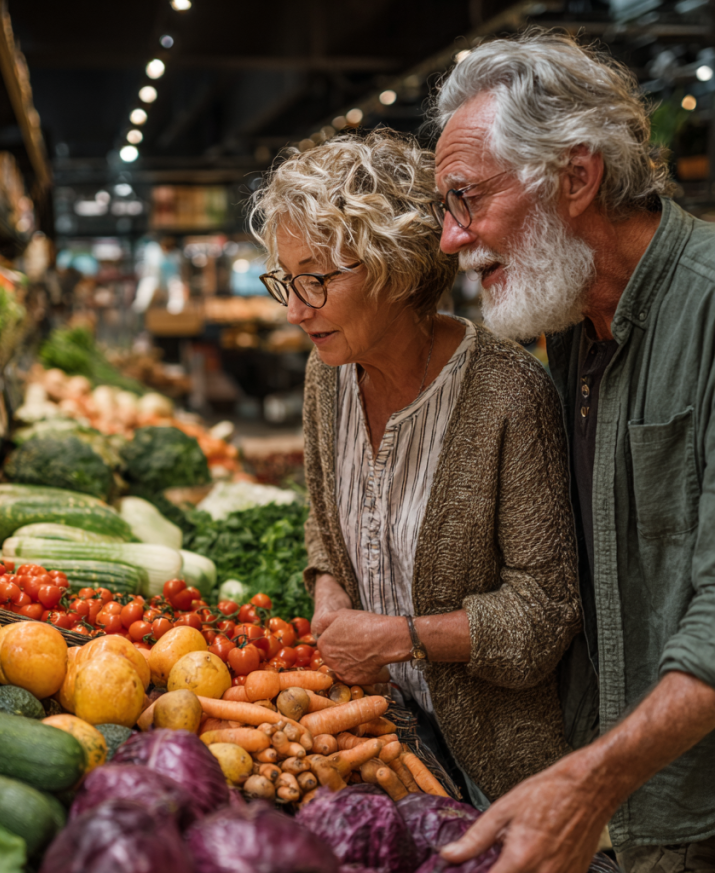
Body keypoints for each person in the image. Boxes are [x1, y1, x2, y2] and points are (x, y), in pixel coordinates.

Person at [432, 28, 715, 873]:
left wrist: (589, 783)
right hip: (619, 811)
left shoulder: (704, 312)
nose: (453, 239)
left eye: (466, 199)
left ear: (576, 176)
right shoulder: (570, 327)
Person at [248, 129, 582, 804]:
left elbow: (544, 613)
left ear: (393, 267)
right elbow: (327, 515)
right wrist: (327, 591)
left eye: (313, 277)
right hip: (378, 744)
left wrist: (401, 639)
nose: (292, 307)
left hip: (501, 774)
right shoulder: (326, 376)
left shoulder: (507, 394)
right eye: (284, 279)